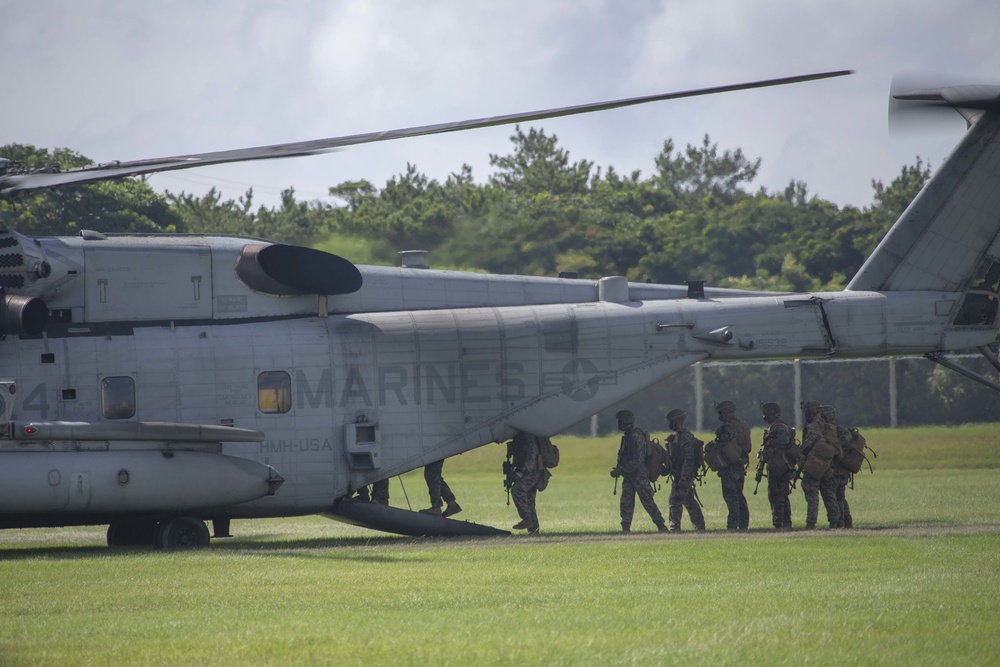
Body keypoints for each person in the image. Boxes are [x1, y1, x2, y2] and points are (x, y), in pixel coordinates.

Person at [610, 410, 668, 533]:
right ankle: (625, 527)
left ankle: (661, 525)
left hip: (639, 475)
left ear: (626, 421)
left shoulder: (635, 436)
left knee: (647, 501)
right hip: (629, 475)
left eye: (620, 421)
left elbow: (638, 459)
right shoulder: (628, 436)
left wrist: (621, 470)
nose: (619, 424)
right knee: (626, 501)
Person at [798, 402, 842, 529]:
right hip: (828, 466)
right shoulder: (829, 427)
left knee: (812, 494)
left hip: (815, 466)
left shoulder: (812, 427)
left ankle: (811, 523)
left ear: (810, 413)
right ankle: (835, 521)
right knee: (829, 494)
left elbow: (806, 447)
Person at [712, 400, 752, 530]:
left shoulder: (728, 427)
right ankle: (744, 523)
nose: (720, 416)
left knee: (731, 495)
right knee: (739, 494)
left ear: (728, 412)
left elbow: (723, 442)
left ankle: (733, 525)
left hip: (729, 466)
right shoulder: (743, 425)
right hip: (740, 465)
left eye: (721, 413)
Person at [664, 408, 706, 532]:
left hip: (684, 475)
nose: (670, 424)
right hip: (679, 474)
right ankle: (700, 526)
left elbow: (689, 459)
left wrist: (684, 477)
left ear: (677, 422)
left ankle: (674, 527)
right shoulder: (676, 437)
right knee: (689, 501)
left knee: (675, 500)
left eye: (672, 422)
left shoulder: (685, 438)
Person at [760, 402, 795, 529]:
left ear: (776, 414)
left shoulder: (779, 427)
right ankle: (785, 522)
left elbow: (783, 443)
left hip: (780, 465)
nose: (767, 417)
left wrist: (771, 448)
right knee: (780, 494)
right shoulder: (776, 427)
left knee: (777, 494)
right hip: (777, 464)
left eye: (769, 414)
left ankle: (780, 522)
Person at [823, 405, 854, 528]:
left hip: (834, 470)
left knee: (831, 496)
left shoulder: (830, 432)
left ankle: (837, 522)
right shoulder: (843, 430)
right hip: (844, 471)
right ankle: (847, 521)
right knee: (841, 497)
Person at [507, 432, 542, 533]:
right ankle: (534, 530)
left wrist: (521, 472)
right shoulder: (522, 436)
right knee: (529, 500)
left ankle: (527, 519)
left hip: (531, 471)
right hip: (533, 470)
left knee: (517, 490)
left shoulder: (527, 436)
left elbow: (532, 454)